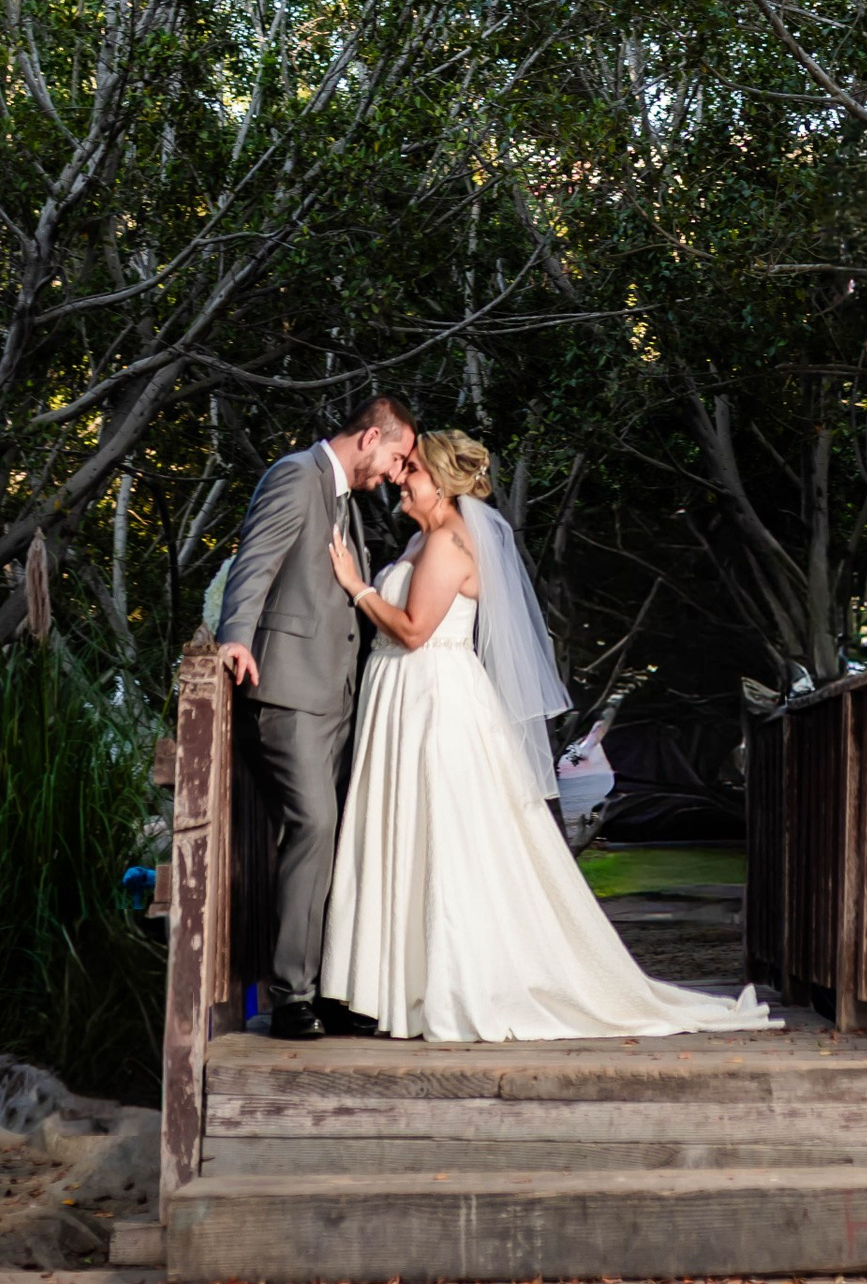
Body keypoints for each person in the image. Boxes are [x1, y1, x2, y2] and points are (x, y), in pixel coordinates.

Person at [319, 430, 771, 1043]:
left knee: (444, 836)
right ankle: (399, 985)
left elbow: (415, 628)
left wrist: (356, 586)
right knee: (410, 831)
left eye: (414, 471)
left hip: (434, 702)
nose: (402, 478)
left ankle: (453, 981)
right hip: (405, 699)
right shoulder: (423, 539)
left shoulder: (450, 541)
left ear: (444, 483)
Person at [215, 392, 418, 1040]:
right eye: (395, 456)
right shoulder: (296, 476)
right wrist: (234, 635)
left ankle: (329, 988)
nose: (394, 472)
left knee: (335, 835)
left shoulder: (344, 502)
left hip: (333, 697)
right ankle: (292, 996)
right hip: (288, 693)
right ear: (369, 438)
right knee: (314, 825)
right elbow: (256, 561)